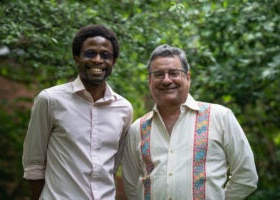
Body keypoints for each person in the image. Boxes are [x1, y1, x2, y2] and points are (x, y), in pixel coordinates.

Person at [122, 44, 258, 200]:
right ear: (150, 80)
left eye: (174, 73)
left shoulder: (220, 117)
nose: (166, 80)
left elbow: (246, 176)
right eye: (158, 74)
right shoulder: (137, 129)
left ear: (188, 77)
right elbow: (131, 186)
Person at [22, 24, 133, 200]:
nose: (98, 60)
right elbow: (34, 165)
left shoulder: (124, 109)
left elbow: (114, 164)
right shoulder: (50, 100)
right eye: (90, 53)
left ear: (113, 62)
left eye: (105, 55)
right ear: (77, 58)